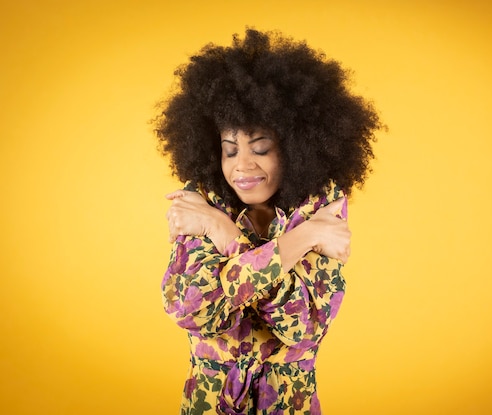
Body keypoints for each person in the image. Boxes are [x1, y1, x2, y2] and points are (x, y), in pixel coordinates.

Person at [154, 28, 382, 415]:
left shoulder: (321, 209)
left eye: (261, 148)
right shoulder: (201, 206)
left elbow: (301, 328)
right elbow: (192, 309)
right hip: (211, 403)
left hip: (289, 404)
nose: (242, 165)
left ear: (297, 149)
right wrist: (295, 241)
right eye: (230, 151)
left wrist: (225, 242)